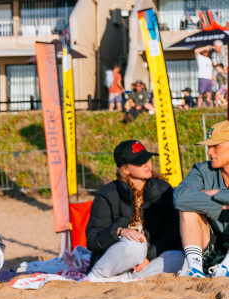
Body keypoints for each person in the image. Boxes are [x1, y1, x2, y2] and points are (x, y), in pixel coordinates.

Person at [85, 141, 183, 279]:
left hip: (147, 261)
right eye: (139, 162)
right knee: (136, 245)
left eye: (147, 158)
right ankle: (95, 277)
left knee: (179, 258)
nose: (147, 164)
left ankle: (126, 280)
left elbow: (172, 233)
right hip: (119, 257)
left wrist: (149, 257)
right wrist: (119, 231)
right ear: (125, 169)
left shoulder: (164, 190)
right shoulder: (107, 193)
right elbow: (93, 240)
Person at [174, 120, 229, 277]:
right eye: (208, 147)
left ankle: (226, 268)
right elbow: (180, 197)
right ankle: (195, 269)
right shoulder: (202, 169)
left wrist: (217, 193)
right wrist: (220, 206)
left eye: (215, 146)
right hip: (212, 247)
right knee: (188, 208)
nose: (209, 152)